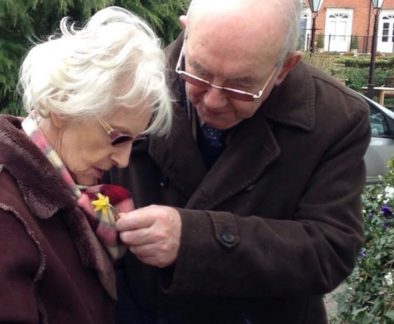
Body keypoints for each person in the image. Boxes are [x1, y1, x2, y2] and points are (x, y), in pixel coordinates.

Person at [107, 0, 372, 323]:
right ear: (186, 32)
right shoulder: (129, 86)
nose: (213, 100)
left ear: (285, 67)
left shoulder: (336, 119)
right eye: (199, 72)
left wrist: (195, 239)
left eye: (241, 85)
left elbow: (330, 251)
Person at [0, 6, 172, 323]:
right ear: (62, 106)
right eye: (118, 137)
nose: (123, 160)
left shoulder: (62, 186)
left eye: (133, 142)